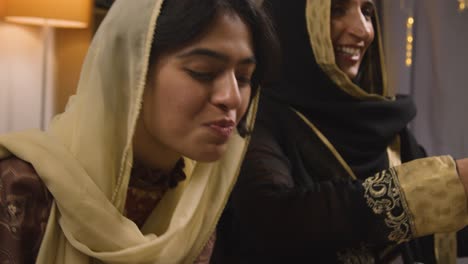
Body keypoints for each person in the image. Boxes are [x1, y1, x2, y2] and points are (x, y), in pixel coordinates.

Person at [0, 0, 277, 263]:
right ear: (131, 72)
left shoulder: (192, 213)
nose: (232, 98)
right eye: (202, 71)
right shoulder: (19, 188)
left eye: (243, 78)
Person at [212, 0, 468, 263]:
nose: (363, 31)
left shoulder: (381, 123)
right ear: (292, 19)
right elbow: (276, 218)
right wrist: (446, 184)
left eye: (367, 13)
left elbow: (427, 227)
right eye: (337, 10)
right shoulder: (252, 116)